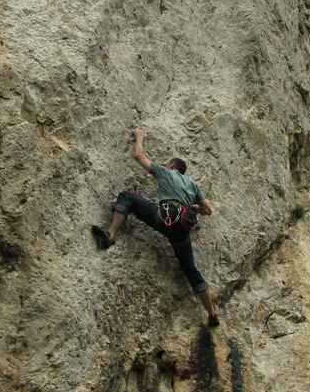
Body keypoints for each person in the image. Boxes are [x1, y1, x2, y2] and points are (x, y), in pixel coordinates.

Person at [92, 129, 219, 327]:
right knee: (191, 270)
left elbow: (138, 156)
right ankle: (212, 314)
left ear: (172, 165)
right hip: (181, 231)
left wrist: (140, 137)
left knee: (127, 197)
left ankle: (110, 235)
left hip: (163, 219)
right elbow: (207, 210)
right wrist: (191, 206)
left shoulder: (166, 172)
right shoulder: (193, 185)